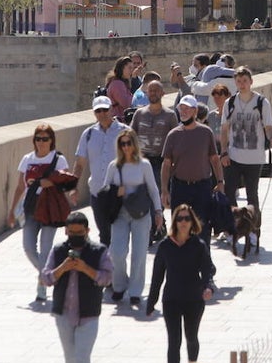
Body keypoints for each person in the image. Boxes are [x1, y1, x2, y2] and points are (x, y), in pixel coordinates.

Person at [42, 211, 113, 363]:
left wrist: (85, 268)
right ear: (66, 231)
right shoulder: (58, 251)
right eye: (71, 232)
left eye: (79, 232)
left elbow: (107, 278)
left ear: (87, 231)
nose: (75, 236)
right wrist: (63, 268)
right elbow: (46, 278)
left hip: (88, 313)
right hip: (63, 313)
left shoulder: (98, 251)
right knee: (69, 356)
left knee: (82, 355)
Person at [147, 204, 217, 363]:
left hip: (194, 300)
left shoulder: (198, 245)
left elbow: (208, 270)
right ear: (175, 222)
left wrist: (209, 288)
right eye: (180, 219)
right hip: (171, 300)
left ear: (192, 222)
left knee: (191, 337)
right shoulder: (165, 246)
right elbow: (157, 277)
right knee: (174, 341)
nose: (184, 222)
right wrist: (151, 303)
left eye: (187, 219)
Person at [7, 124, 72, 303]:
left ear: (51, 140)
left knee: (45, 249)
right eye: (38, 139)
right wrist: (12, 210)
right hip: (31, 207)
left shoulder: (58, 159)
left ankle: (41, 288)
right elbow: (20, 186)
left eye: (45, 139)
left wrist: (49, 183)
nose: (41, 143)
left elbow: (65, 181)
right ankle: (50, 273)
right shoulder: (27, 159)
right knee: (28, 247)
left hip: (50, 206)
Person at [103, 129, 164, 306]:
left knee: (139, 254)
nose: (126, 147)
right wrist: (116, 191)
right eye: (123, 144)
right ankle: (119, 285)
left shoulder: (143, 165)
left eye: (129, 143)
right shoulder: (114, 166)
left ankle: (136, 290)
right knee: (117, 252)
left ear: (134, 145)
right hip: (120, 213)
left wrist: (158, 212)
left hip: (141, 213)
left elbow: (153, 189)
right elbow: (105, 190)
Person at [161, 95, 224, 245]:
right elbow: (166, 164)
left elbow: (215, 159)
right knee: (178, 227)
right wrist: (164, 190)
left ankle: (204, 263)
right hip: (180, 186)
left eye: (187, 109)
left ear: (195, 111)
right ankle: (180, 264)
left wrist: (220, 182)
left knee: (202, 227)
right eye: (181, 109)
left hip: (202, 186)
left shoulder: (205, 132)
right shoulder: (173, 135)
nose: (183, 112)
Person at [220, 67, 272, 214]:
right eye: (239, 81)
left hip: (254, 157)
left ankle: (253, 229)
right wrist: (224, 152)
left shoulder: (261, 102)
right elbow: (224, 129)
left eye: (245, 81)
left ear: (251, 81)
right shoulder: (230, 103)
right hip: (234, 156)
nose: (242, 84)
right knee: (229, 192)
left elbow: (268, 126)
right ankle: (233, 224)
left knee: (252, 195)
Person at [75, 95, 129, 246]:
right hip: (97, 192)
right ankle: (107, 268)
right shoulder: (88, 134)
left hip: (120, 192)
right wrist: (74, 187)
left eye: (105, 110)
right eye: (98, 111)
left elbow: (134, 161)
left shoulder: (124, 132)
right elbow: (80, 163)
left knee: (119, 235)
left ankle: (118, 266)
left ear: (111, 109)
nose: (102, 114)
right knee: (104, 235)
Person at [131, 80, 180, 244]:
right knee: (145, 195)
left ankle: (156, 226)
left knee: (156, 195)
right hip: (142, 161)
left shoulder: (170, 115)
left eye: (156, 91)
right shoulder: (139, 114)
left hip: (161, 162)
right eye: (150, 91)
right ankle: (155, 226)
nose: (152, 93)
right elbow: (131, 135)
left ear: (162, 94)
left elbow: (175, 139)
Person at [106, 55, 135, 121]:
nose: (131, 71)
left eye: (132, 68)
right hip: (118, 121)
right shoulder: (117, 84)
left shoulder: (119, 83)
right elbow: (126, 104)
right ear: (122, 68)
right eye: (129, 68)